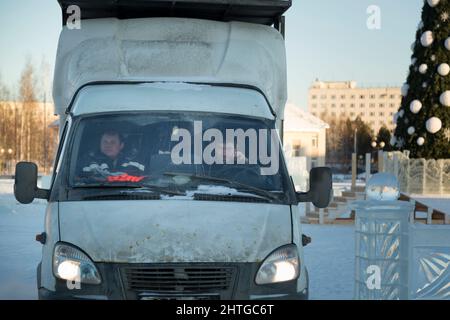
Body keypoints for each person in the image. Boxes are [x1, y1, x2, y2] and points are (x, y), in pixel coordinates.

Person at [78, 129, 145, 182]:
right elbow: (80, 180)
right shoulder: (88, 162)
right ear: (100, 144)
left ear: (121, 146)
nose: (108, 145)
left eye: (113, 142)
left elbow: (138, 180)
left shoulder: (134, 162)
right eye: (105, 142)